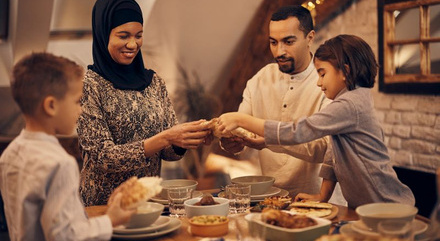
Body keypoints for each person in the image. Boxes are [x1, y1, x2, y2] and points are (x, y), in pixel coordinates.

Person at [217, 34, 415, 208]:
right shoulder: (350, 101)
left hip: (387, 206)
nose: (319, 82)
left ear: (345, 71)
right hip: (363, 207)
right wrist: (323, 196)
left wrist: (241, 119)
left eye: (322, 73)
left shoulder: (349, 104)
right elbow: (332, 154)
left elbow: (299, 131)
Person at [77, 0, 210, 206]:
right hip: (103, 208)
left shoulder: (154, 82)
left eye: (138, 36)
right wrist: (165, 137)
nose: (133, 44)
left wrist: (184, 139)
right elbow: (103, 157)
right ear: (104, 34)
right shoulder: (89, 86)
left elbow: (168, 152)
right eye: (123, 36)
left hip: (148, 204)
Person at [0, 52, 135, 241]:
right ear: (51, 106)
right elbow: (64, 237)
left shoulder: (9, 155)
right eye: (77, 101)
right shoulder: (60, 163)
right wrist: (110, 220)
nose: (80, 110)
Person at [220, 5, 334, 199]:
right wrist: (232, 142)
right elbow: (242, 128)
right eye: (273, 42)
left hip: (317, 200)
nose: (279, 51)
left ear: (310, 37)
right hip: (269, 197)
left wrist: (270, 141)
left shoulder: (327, 82)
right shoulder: (260, 79)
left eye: (288, 42)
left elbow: (325, 150)